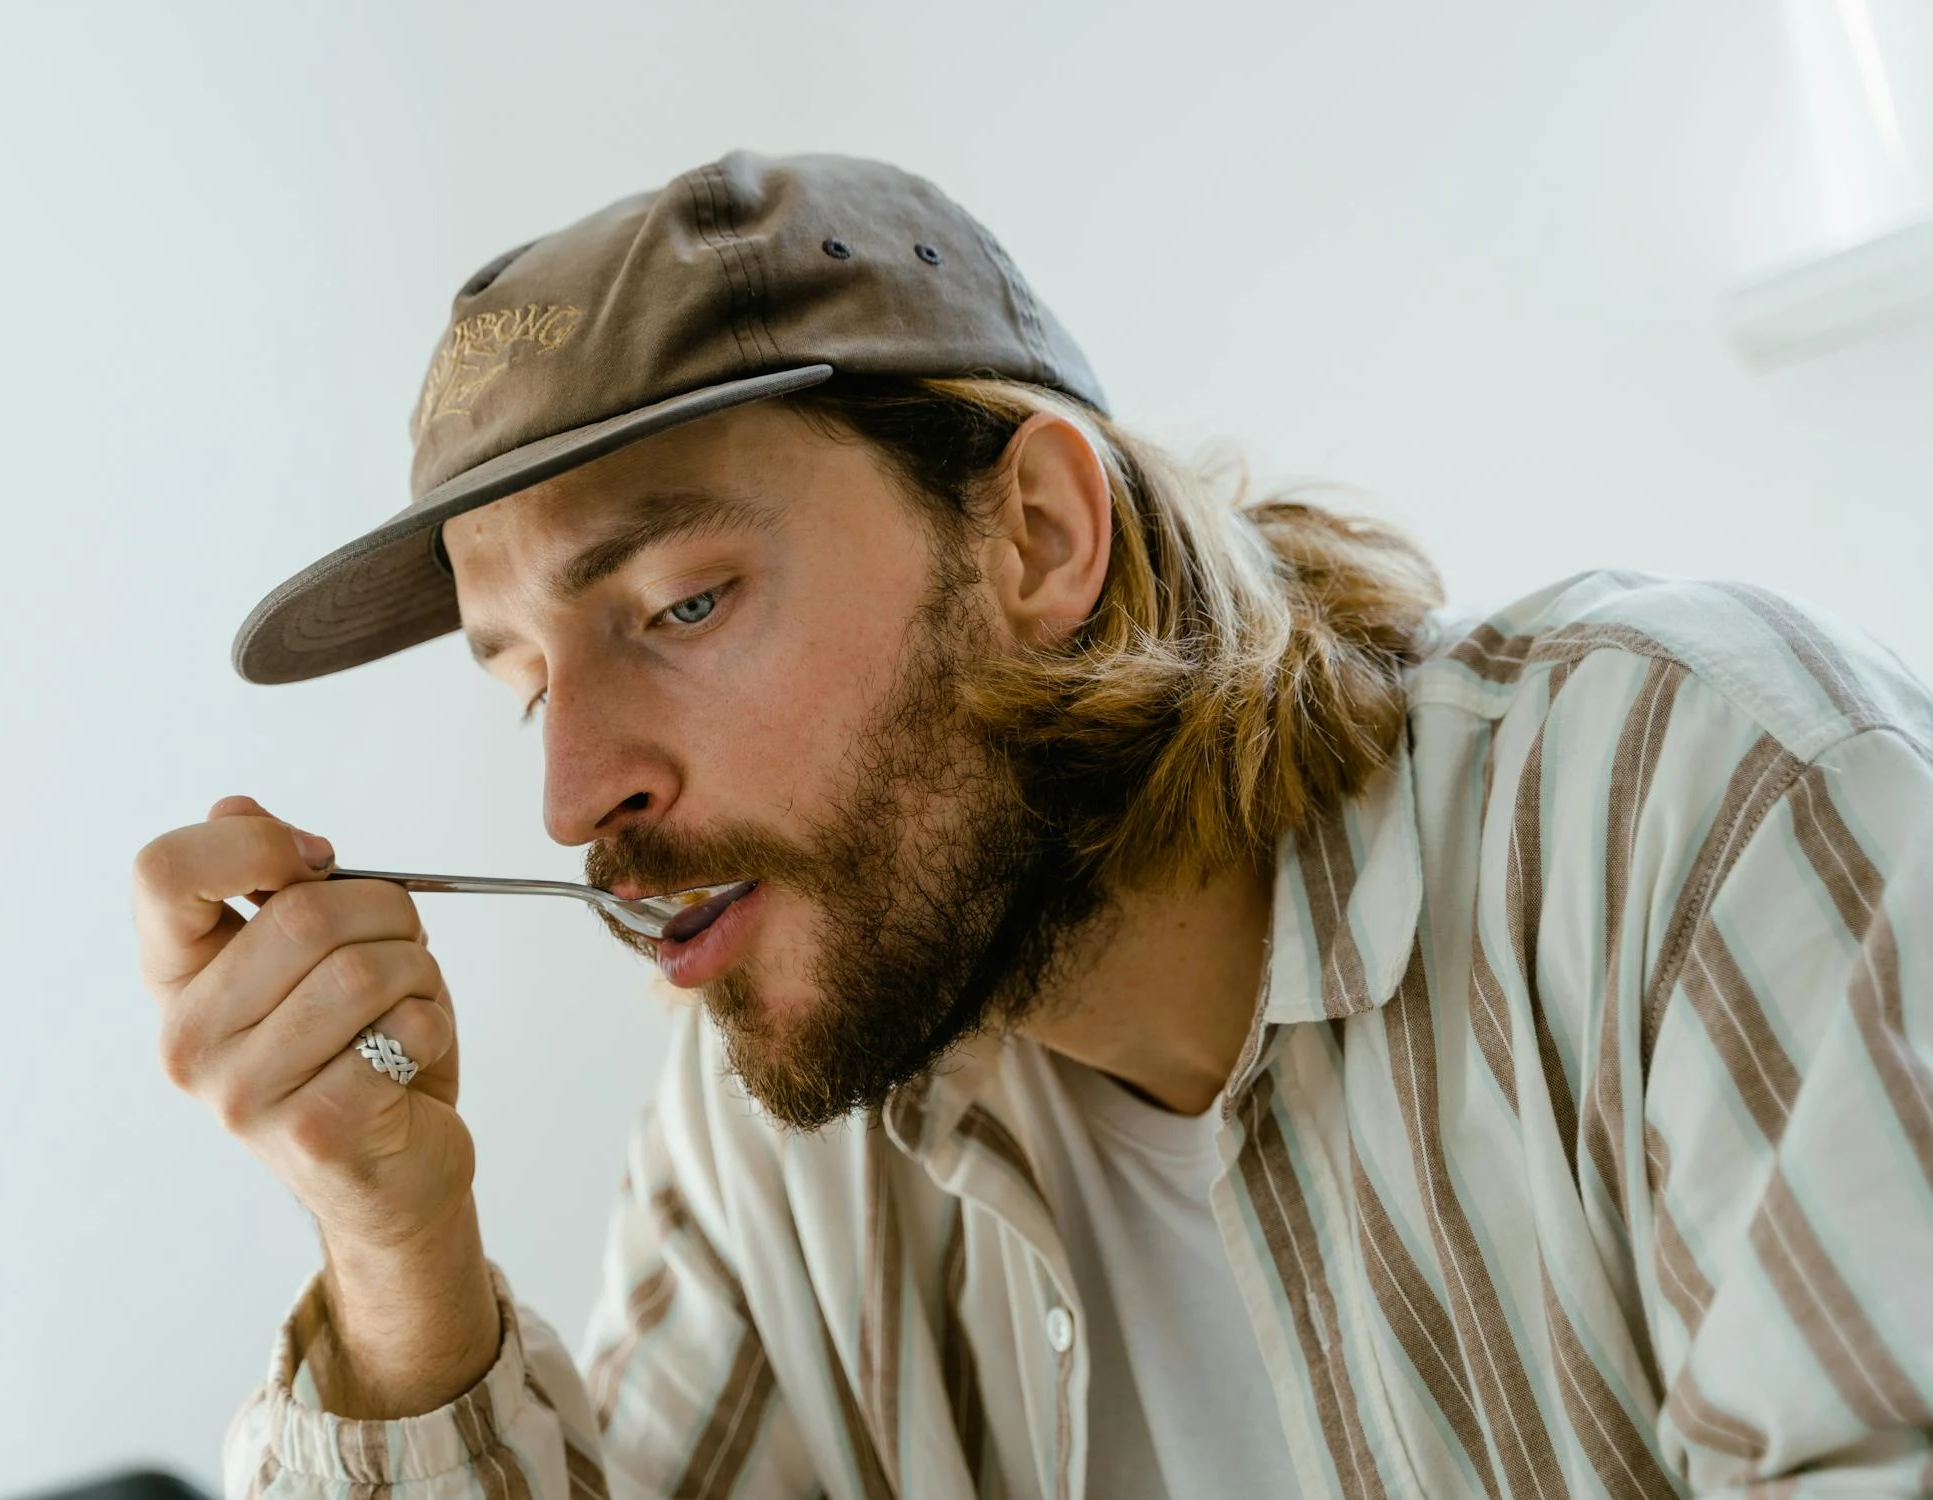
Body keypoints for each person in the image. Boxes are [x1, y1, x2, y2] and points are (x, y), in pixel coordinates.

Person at [130, 152, 1933, 1499]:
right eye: (525, 677)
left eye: (681, 603)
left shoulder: (1704, 815)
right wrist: (393, 1254)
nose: (572, 787)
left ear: (1039, 537)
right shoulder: (789, 1109)